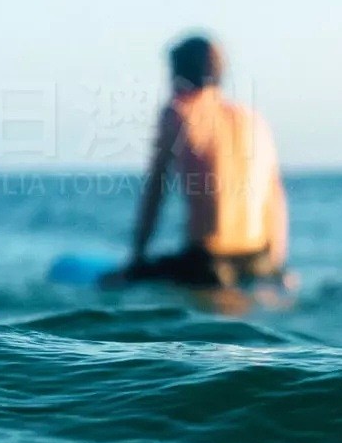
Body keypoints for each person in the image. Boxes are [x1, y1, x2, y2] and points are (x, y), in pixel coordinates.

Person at [114, 34, 290, 289]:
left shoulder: (179, 113)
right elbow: (276, 198)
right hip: (259, 261)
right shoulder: (253, 120)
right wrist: (276, 266)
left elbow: (156, 190)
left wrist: (136, 259)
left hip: (208, 264)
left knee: (112, 282)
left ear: (177, 74)